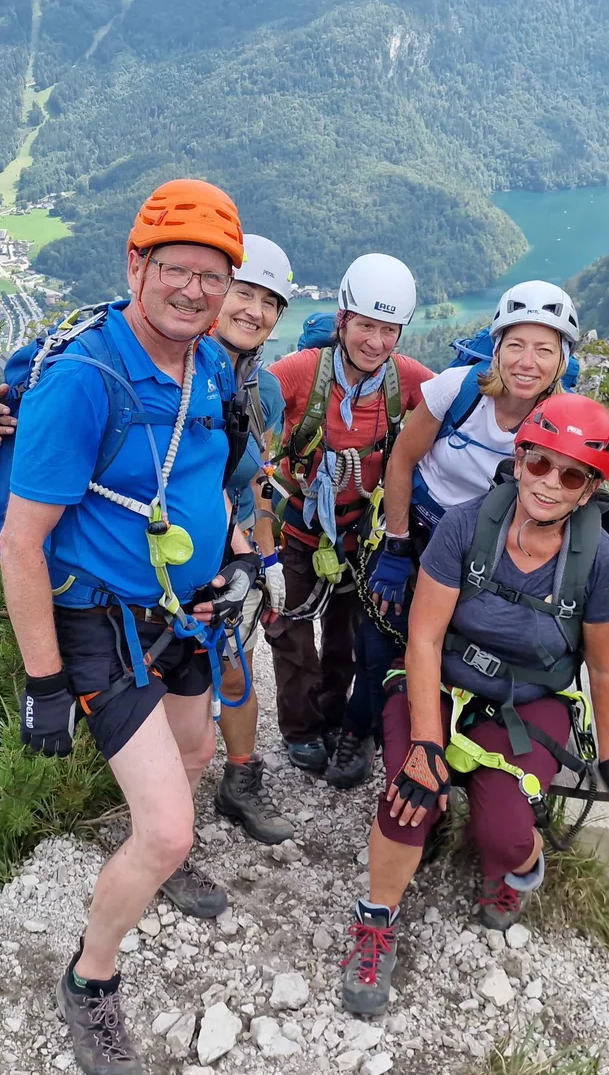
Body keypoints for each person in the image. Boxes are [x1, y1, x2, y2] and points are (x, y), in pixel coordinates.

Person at [0, 178, 263, 1075]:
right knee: (166, 827)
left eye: (213, 277)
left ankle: (164, 850)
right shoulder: (85, 381)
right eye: (177, 271)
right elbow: (20, 540)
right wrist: (42, 683)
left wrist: (236, 555)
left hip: (186, 610)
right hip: (100, 617)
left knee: (191, 755)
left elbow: (215, 478)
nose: (195, 292)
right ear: (135, 266)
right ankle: (91, 975)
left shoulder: (209, 366)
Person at [338, 393, 609, 1015]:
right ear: (520, 457)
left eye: (571, 476)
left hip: (529, 696)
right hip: (441, 677)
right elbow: (424, 637)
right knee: (408, 800)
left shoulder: (601, 566)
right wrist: (427, 745)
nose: (550, 484)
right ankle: (375, 925)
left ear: (588, 491)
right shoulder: (465, 525)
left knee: (506, 837)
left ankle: (518, 872)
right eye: (540, 464)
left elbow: (606, 665)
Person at [266, 253, 432, 790]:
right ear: (342, 320)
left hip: (361, 534)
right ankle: (299, 727)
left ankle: (334, 720)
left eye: (389, 330)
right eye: (366, 326)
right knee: (290, 632)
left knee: (346, 634)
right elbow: (236, 398)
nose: (376, 342)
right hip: (296, 525)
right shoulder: (300, 373)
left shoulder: (405, 381)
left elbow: (467, 397)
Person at [368, 281, 581, 619]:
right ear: (496, 352)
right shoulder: (458, 389)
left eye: (544, 350)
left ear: (562, 362)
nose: (527, 362)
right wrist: (396, 545)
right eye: (515, 346)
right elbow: (402, 460)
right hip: (416, 530)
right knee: (377, 646)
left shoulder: (563, 426)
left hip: (483, 555)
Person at [209, 232, 299, 845]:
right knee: (169, 681)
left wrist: (268, 556)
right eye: (245, 293)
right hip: (165, 552)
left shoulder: (263, 391)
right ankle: (158, 812)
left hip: (235, 551)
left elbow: (259, 480)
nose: (256, 311)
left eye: (270, 302)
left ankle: (239, 780)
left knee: (235, 670)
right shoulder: (172, 371)